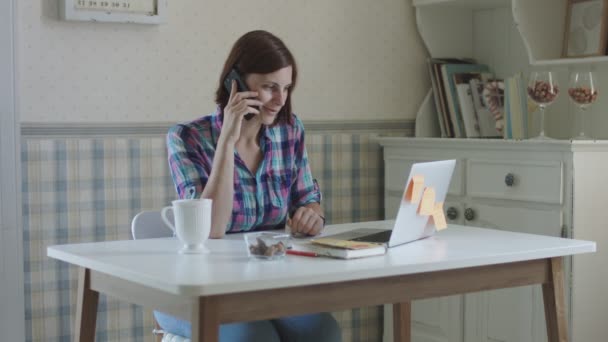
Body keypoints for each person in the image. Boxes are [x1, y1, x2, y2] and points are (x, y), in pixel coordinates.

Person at [162, 30, 342, 342]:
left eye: (286, 88)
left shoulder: (289, 131)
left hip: (266, 287)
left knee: (324, 331)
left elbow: (308, 200)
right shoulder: (186, 138)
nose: (280, 99)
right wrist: (228, 141)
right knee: (254, 337)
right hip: (198, 290)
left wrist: (311, 215)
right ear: (237, 84)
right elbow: (211, 229)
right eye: (270, 87)